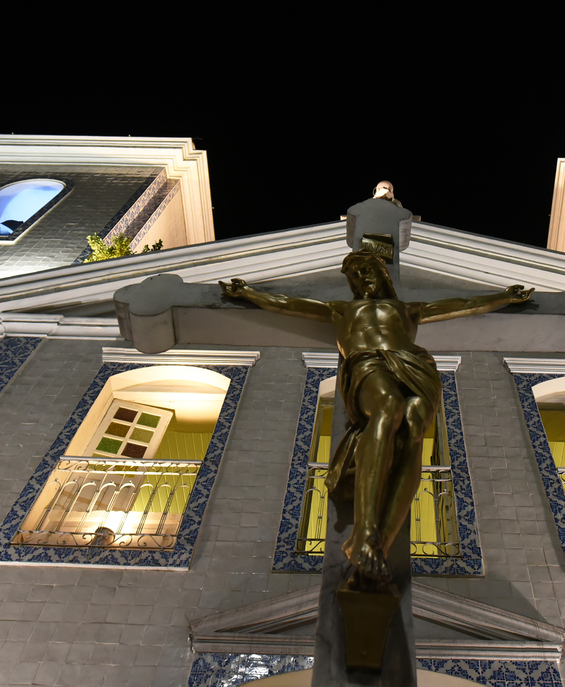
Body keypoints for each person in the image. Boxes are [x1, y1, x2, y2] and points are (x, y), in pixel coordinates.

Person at [221, 251, 532, 586]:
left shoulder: (408, 309)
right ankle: (365, 529)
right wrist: (249, 294)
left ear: (382, 273)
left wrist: (502, 297)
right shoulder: (341, 309)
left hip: (414, 365)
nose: (360, 278)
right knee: (387, 407)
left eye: (366, 270)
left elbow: (459, 304)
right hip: (367, 363)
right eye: (353, 275)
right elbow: (287, 303)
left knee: (413, 431)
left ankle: (375, 546)